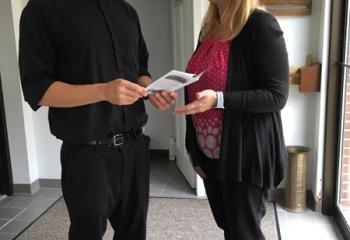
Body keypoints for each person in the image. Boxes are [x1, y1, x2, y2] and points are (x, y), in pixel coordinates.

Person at [19, 0, 176, 239]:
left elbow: (140, 70)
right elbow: (37, 90)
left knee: (134, 233)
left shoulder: (126, 11)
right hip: (87, 156)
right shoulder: (43, 8)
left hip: (135, 148)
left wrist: (153, 89)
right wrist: (103, 91)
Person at [175, 0, 289, 239]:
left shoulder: (260, 24)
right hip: (210, 153)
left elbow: (276, 96)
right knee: (228, 225)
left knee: (244, 232)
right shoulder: (210, 27)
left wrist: (220, 99)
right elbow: (196, 87)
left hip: (244, 154)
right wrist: (193, 148)